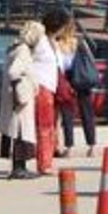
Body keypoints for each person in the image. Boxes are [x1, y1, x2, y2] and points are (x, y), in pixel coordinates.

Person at [0, 21, 43, 180]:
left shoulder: (14, 48)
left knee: (15, 131)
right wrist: (23, 85)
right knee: (21, 132)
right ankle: (19, 168)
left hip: (11, 99)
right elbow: (14, 72)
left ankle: (19, 167)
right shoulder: (23, 50)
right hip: (20, 100)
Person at [55, 19, 97, 158]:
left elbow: (60, 66)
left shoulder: (58, 44)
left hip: (67, 78)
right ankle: (91, 146)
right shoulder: (80, 42)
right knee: (87, 113)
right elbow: (91, 59)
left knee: (67, 113)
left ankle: (69, 146)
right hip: (82, 78)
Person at [32, 10, 64, 175]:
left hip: (50, 87)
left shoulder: (52, 42)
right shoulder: (41, 41)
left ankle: (46, 160)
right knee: (45, 126)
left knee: (49, 126)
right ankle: (44, 163)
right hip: (41, 86)